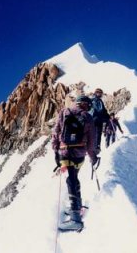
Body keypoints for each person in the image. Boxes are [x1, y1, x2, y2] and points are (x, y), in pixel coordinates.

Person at [52, 95, 98, 231]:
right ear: (86, 105)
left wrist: (56, 150)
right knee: (73, 178)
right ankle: (76, 208)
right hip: (79, 154)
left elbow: (55, 132)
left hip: (64, 152)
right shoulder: (88, 118)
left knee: (71, 180)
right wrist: (92, 157)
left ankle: (75, 216)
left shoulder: (64, 112)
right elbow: (91, 141)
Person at [89, 88, 109, 152]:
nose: (100, 94)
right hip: (94, 120)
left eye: (101, 93)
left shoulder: (100, 101)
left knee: (98, 134)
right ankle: (94, 148)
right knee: (95, 134)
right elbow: (99, 110)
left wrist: (107, 116)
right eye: (99, 93)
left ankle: (97, 147)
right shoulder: (93, 100)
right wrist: (105, 116)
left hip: (98, 120)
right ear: (96, 93)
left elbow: (104, 111)